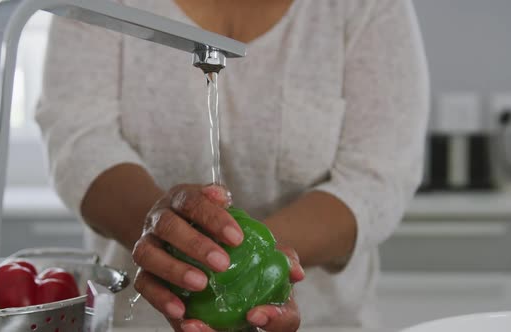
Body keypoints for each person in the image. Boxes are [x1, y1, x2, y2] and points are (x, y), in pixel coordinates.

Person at [36, 0, 429, 330]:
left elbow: (376, 177)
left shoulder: (365, 7)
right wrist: (163, 233)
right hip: (140, 321)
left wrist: (240, 273)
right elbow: (80, 140)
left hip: (324, 321)